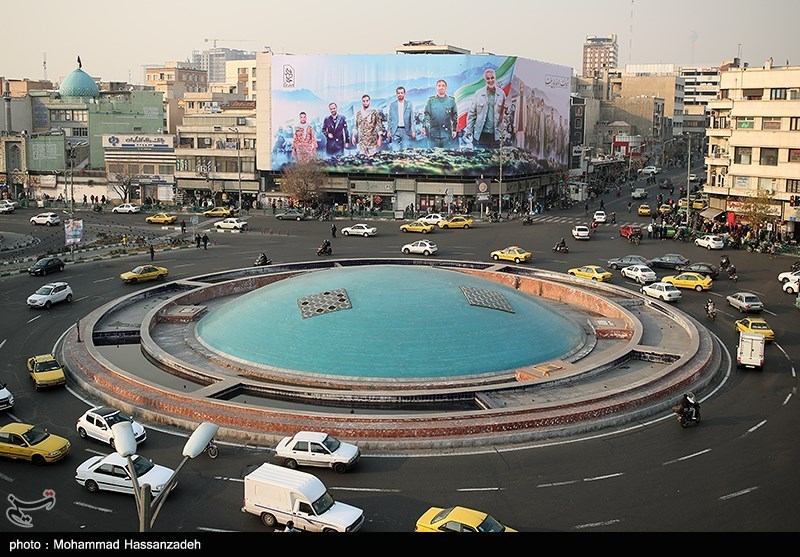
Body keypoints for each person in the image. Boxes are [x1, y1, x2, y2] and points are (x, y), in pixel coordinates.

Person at [465, 69, 507, 150]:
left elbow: (504, 114)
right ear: (485, 80)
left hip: (496, 135)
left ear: (495, 78)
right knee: (480, 156)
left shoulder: (501, 94)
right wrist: (469, 130)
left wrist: (503, 131)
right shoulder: (478, 94)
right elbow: (472, 113)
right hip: (481, 134)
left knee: (494, 157)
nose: (490, 80)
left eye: (492, 78)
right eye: (488, 78)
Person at [423, 80, 459, 150]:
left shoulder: (451, 101)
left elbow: (455, 116)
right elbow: (427, 115)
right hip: (433, 134)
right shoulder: (431, 101)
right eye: (439, 86)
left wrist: (454, 129)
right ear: (436, 87)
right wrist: (424, 127)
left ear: (446, 87)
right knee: (433, 154)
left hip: (446, 134)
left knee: (447, 154)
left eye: (443, 86)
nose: (441, 87)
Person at [386, 86, 416, 152]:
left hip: (406, 130)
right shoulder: (392, 105)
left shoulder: (409, 104)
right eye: (398, 93)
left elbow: (412, 118)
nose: (400, 94)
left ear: (404, 94)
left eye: (401, 93)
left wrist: (413, 130)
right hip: (395, 130)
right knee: (395, 151)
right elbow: (390, 119)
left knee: (406, 151)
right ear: (396, 94)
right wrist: (388, 130)